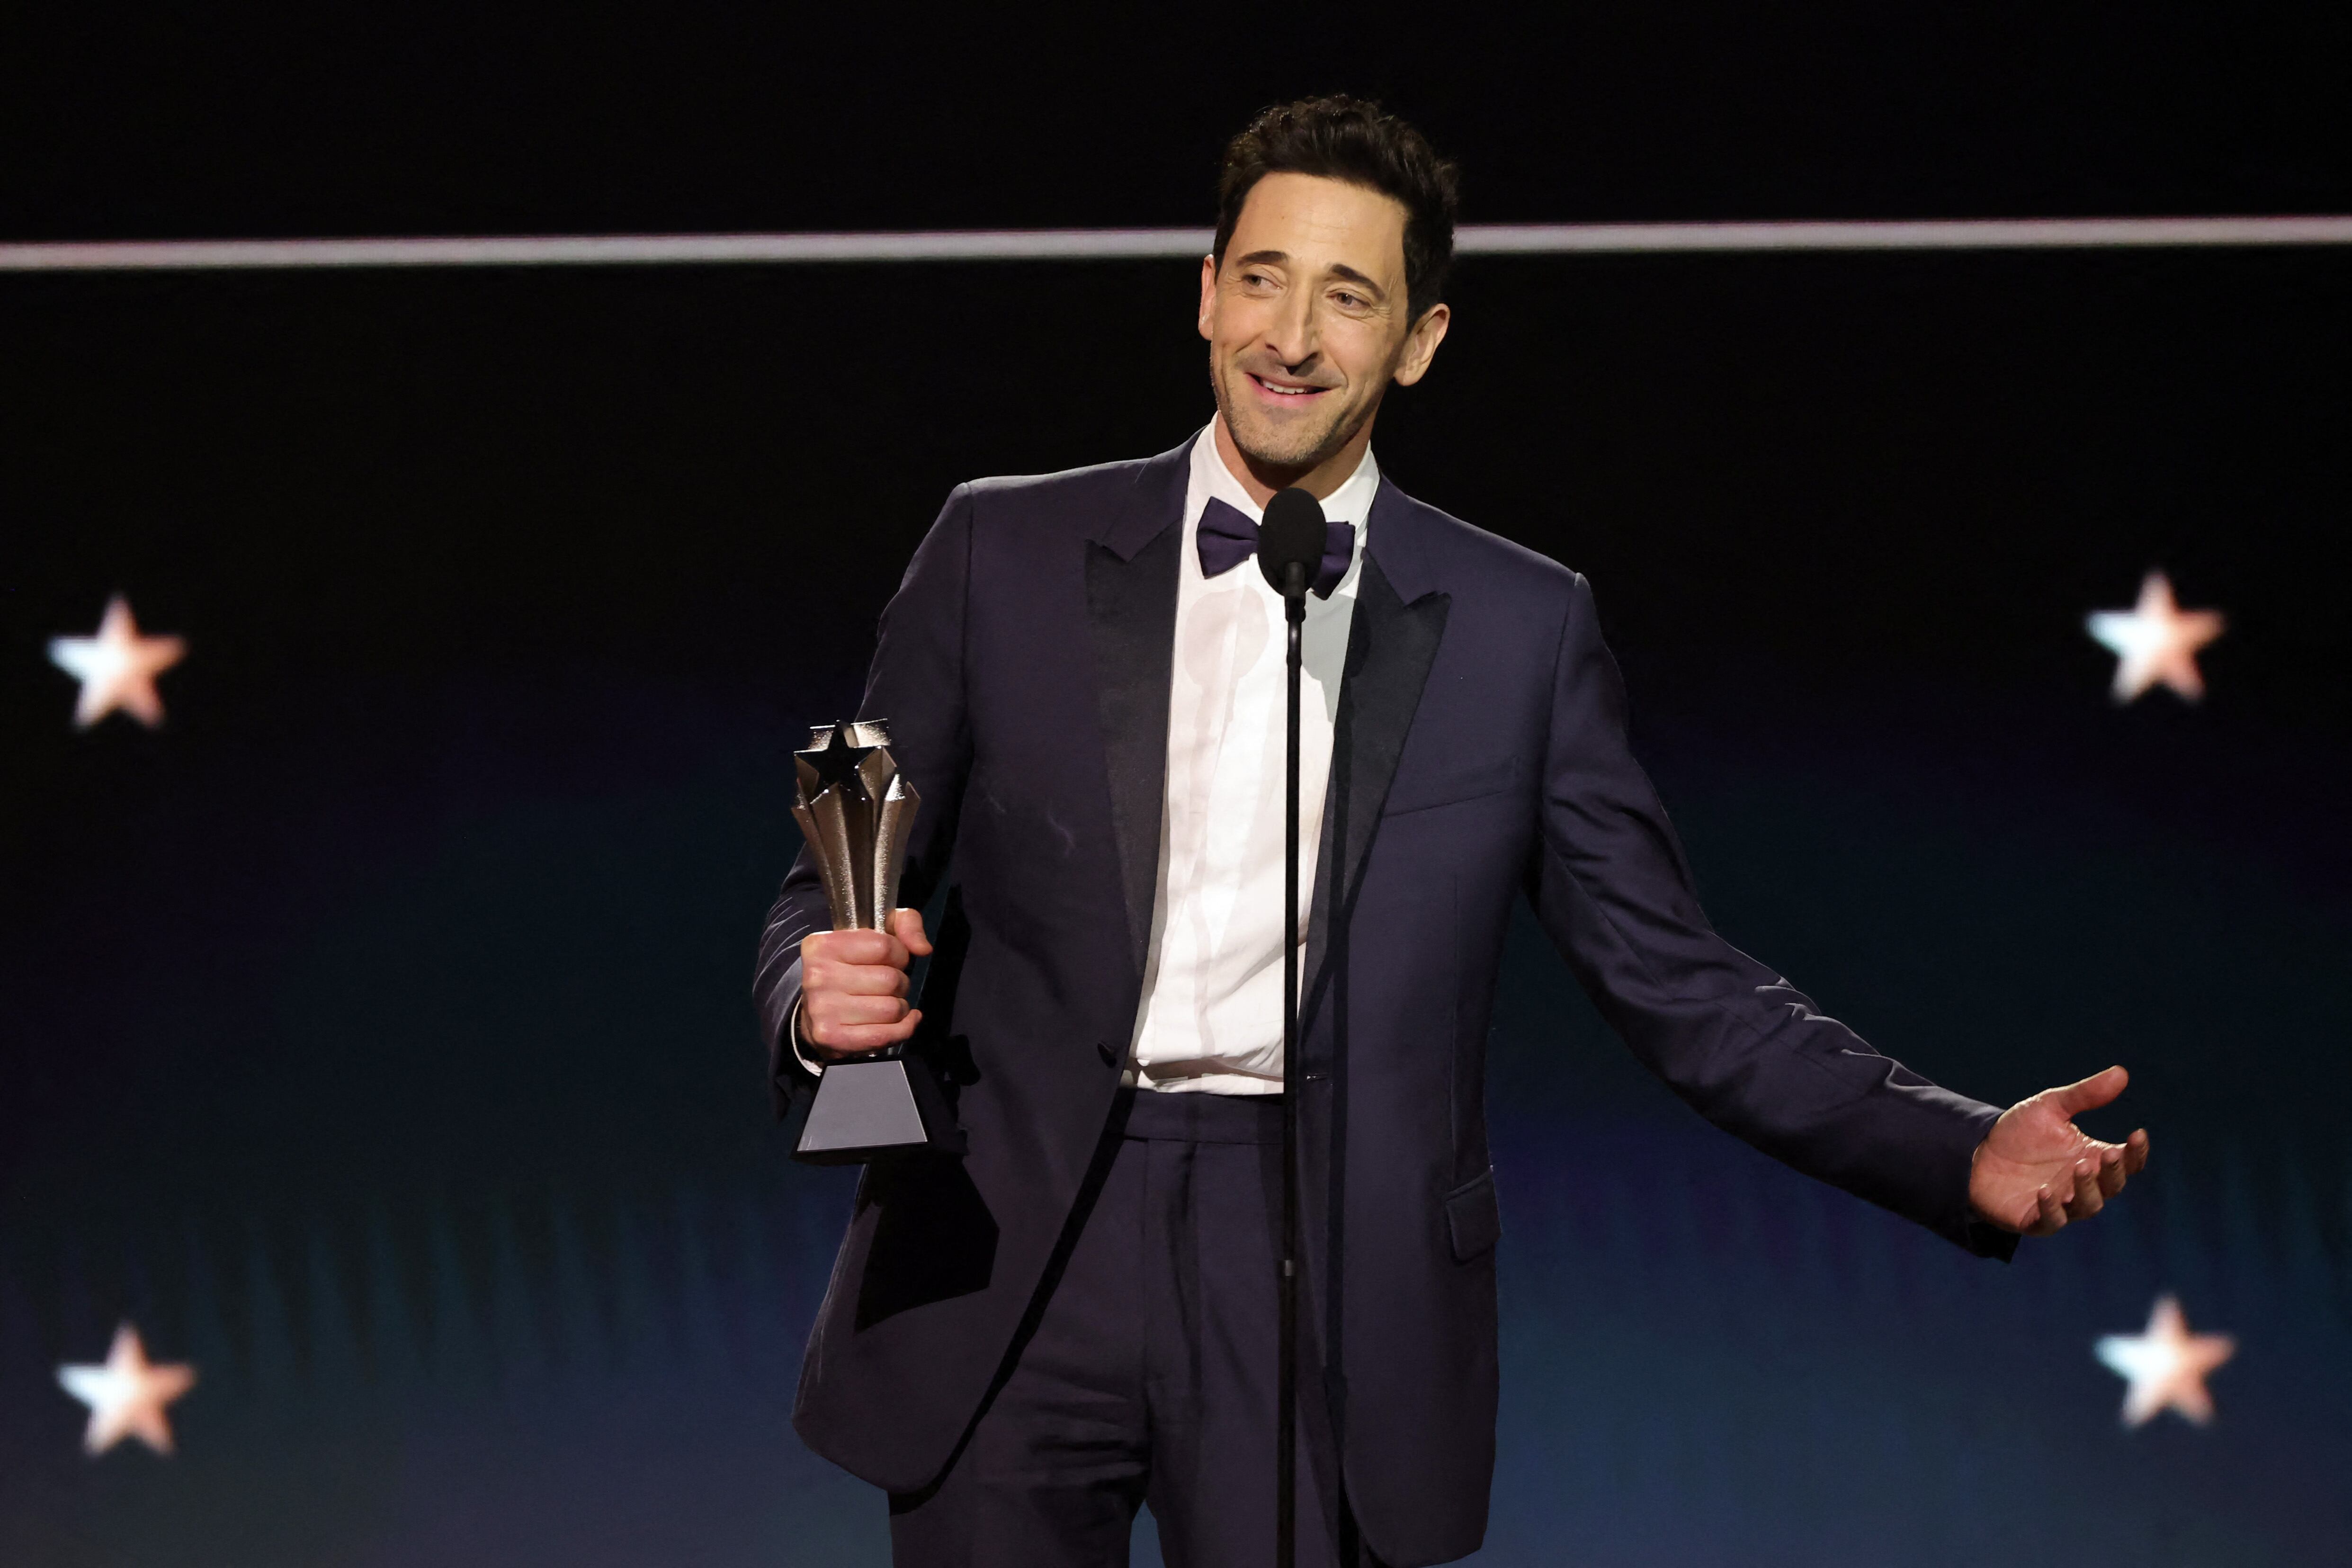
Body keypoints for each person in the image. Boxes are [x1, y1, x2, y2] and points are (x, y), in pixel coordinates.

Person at [754, 94, 2150, 1568]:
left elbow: (1680, 983)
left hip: (1323, 1269)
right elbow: (829, 889)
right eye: (1265, 279)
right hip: (1011, 1245)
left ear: (1418, 339)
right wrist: (813, 1001)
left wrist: (1952, 1147)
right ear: (1208, 291)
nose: (1292, 336)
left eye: (1348, 296)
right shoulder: (1000, 551)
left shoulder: (1521, 628)